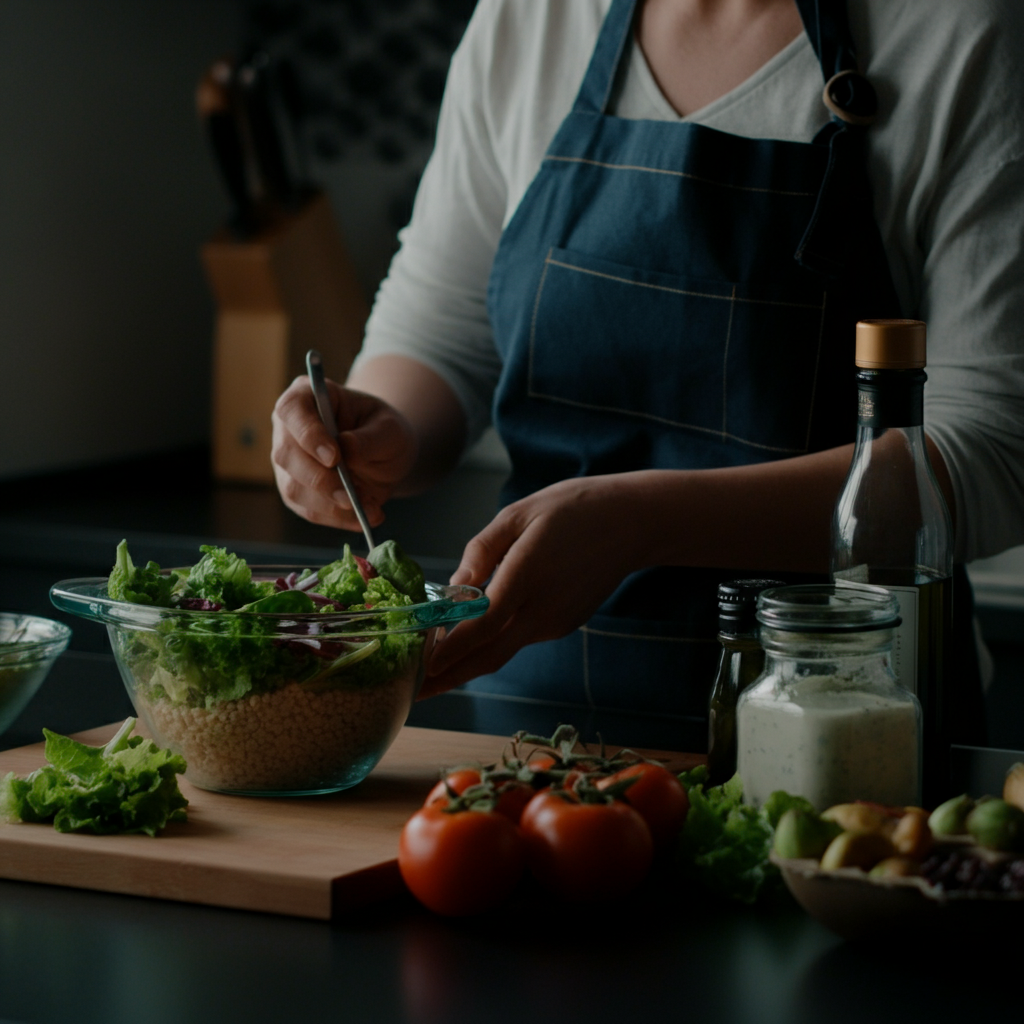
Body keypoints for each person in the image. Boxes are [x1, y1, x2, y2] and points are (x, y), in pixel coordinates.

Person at [271, 0, 1024, 748]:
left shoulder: (959, 33)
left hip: (850, 746)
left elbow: (992, 451)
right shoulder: (532, 18)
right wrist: (377, 434)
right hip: (533, 749)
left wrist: (640, 524)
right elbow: (442, 332)